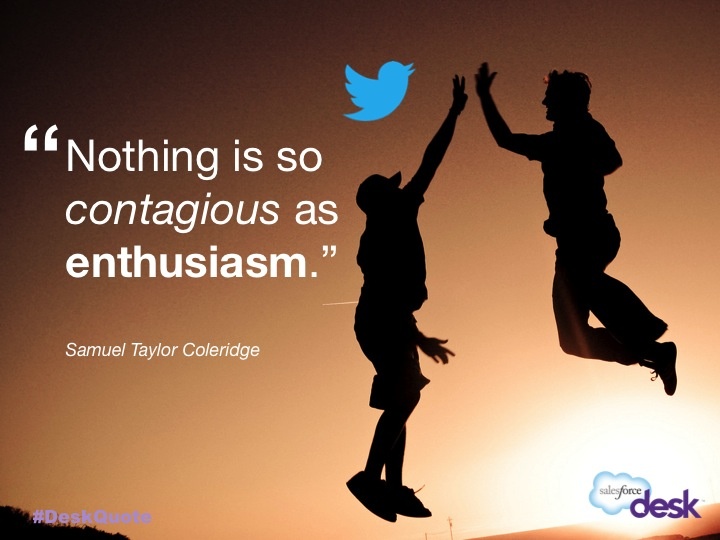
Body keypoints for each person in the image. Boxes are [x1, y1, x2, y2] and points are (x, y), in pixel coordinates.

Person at [474, 62, 677, 395]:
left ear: (566, 102)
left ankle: (645, 330)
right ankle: (654, 353)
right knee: (572, 339)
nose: (544, 103)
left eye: (550, 98)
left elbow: (612, 160)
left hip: (593, 233)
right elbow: (505, 139)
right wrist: (484, 97)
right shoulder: (552, 143)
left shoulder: (583, 130)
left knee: (585, 279)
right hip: (568, 245)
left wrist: (579, 164)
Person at [347, 75, 467, 522]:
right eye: (393, 187)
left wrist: (418, 338)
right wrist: (453, 114)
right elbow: (431, 160)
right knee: (405, 398)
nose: (404, 188)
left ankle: (393, 487)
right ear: (383, 198)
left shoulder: (380, 226)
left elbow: (388, 300)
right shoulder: (393, 216)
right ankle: (370, 478)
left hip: (382, 321)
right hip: (384, 321)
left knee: (403, 397)